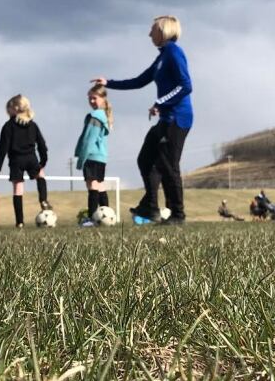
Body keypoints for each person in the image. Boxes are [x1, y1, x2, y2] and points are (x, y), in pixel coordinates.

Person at [91, 15, 192, 225]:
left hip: (178, 118)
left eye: (152, 30)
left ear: (163, 31)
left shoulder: (174, 52)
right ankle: (151, 207)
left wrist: (160, 103)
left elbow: (185, 85)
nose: (149, 34)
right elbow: (139, 81)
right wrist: (108, 83)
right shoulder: (162, 56)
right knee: (145, 159)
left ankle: (178, 214)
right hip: (165, 118)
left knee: (168, 165)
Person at [0, 94, 52, 228]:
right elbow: (42, 144)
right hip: (31, 158)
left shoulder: (8, 126)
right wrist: (43, 161)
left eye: (7, 110)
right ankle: (43, 200)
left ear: (14, 108)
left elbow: (3, 147)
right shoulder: (32, 125)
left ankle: (20, 222)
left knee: (18, 189)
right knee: (40, 176)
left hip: (16, 161)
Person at [75, 85, 112, 227]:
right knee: (100, 186)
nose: (91, 101)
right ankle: (107, 217)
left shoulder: (95, 117)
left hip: (92, 155)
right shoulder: (103, 116)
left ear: (103, 99)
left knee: (92, 185)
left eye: (94, 98)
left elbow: (89, 139)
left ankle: (91, 218)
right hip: (101, 156)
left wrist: (82, 157)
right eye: (89, 98)